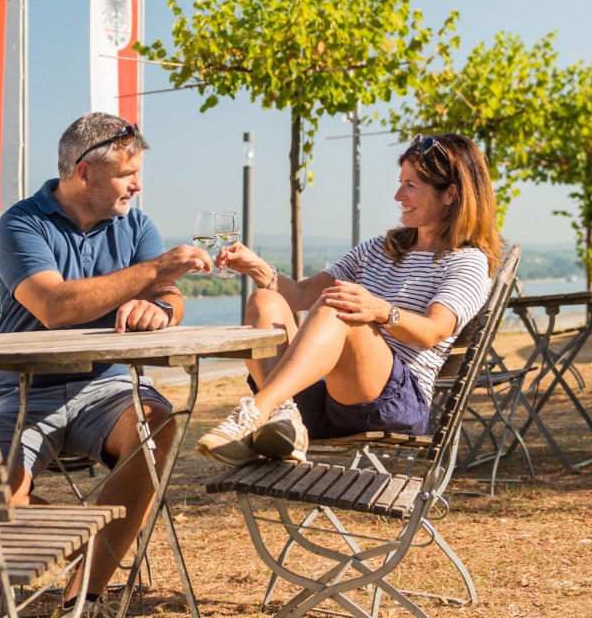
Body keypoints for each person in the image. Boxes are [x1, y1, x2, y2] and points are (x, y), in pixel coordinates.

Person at [0, 111, 213, 613]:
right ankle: (95, 547)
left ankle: (84, 600)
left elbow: (170, 295)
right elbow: (54, 306)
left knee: (156, 424)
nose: (137, 186)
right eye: (126, 174)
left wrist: (161, 309)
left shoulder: (136, 225)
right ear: (84, 172)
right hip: (24, 390)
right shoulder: (21, 223)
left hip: (108, 387)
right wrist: (155, 270)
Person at [197, 133, 502, 467]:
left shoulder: (467, 262)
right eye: (400, 183)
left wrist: (380, 311)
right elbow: (301, 295)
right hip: (325, 396)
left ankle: (257, 410)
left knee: (340, 306)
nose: (398, 196)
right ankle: (285, 416)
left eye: (411, 186)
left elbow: (433, 330)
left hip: (392, 402)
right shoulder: (377, 249)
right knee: (263, 301)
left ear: (451, 194)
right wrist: (257, 268)